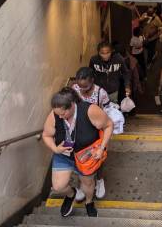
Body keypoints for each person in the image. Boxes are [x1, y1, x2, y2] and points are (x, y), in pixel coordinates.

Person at [42, 87, 113, 218]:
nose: (59, 117)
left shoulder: (90, 110)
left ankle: (89, 202)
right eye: (57, 114)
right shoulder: (55, 114)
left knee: (88, 183)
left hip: (86, 156)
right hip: (64, 155)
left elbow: (109, 125)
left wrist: (101, 147)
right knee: (58, 186)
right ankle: (71, 194)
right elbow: (46, 135)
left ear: (71, 106)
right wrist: (55, 148)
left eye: (62, 114)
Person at [69, 67, 111, 199]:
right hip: (78, 128)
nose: (82, 90)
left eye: (86, 86)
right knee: (77, 156)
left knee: (99, 157)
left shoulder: (101, 93)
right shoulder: (74, 89)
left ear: (92, 80)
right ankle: (83, 183)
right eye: (80, 86)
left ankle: (99, 181)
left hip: (96, 131)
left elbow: (107, 113)